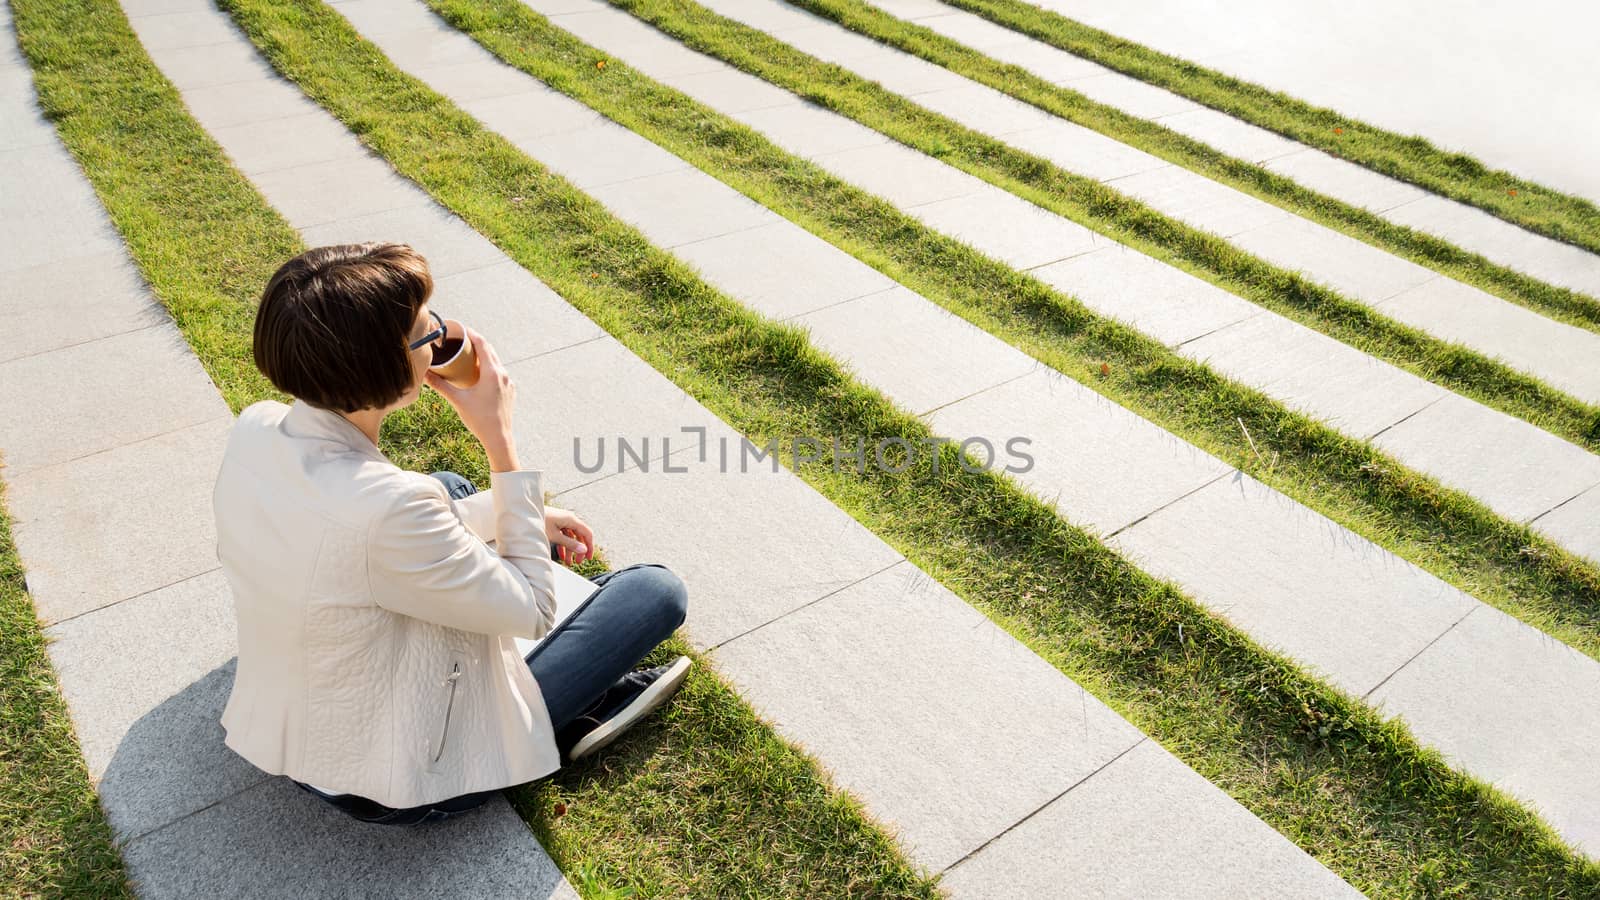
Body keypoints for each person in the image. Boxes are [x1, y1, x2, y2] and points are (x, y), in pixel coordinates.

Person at [211, 242, 691, 826]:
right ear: (382, 364)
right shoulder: (394, 508)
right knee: (654, 593)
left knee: (447, 486)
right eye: (423, 331)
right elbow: (532, 607)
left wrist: (517, 519)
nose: (440, 335)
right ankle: (567, 721)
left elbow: (359, 533)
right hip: (396, 783)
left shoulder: (258, 424)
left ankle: (567, 696)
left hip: (296, 729)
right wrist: (501, 443)